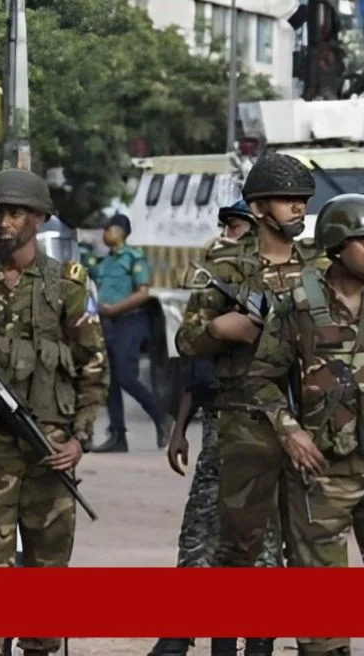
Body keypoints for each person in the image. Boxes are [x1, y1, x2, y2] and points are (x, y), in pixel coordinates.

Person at [247, 193, 364, 656]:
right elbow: (262, 381)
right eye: (362, 240)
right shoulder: (299, 304)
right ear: (335, 244)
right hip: (320, 477)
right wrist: (291, 431)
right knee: (322, 626)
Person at [172, 152, 321, 656]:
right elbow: (185, 339)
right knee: (241, 545)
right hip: (244, 419)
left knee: (306, 543)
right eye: (287, 200)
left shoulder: (321, 264)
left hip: (309, 420)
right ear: (258, 207)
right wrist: (220, 329)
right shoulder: (225, 264)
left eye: (303, 200)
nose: (298, 208)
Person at [0, 169, 107, 656]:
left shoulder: (67, 285)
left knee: (46, 577)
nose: (5, 222)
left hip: (50, 451)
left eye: (16, 212)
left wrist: (79, 439)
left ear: (39, 218)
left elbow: (94, 368)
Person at [149, 198, 257, 656]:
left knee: (260, 542)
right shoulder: (217, 283)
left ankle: (254, 640)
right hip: (219, 421)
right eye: (227, 227)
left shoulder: (281, 278)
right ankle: (181, 633)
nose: (228, 235)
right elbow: (196, 361)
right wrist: (179, 429)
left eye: (236, 226)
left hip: (269, 425)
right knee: (200, 528)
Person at [90, 212, 166, 452]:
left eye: (109, 229)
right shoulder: (104, 262)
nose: (105, 233)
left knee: (125, 376)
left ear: (121, 232)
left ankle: (161, 416)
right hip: (108, 324)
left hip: (131, 321)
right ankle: (118, 436)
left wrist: (115, 309)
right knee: (110, 381)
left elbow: (143, 292)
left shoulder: (135, 257)